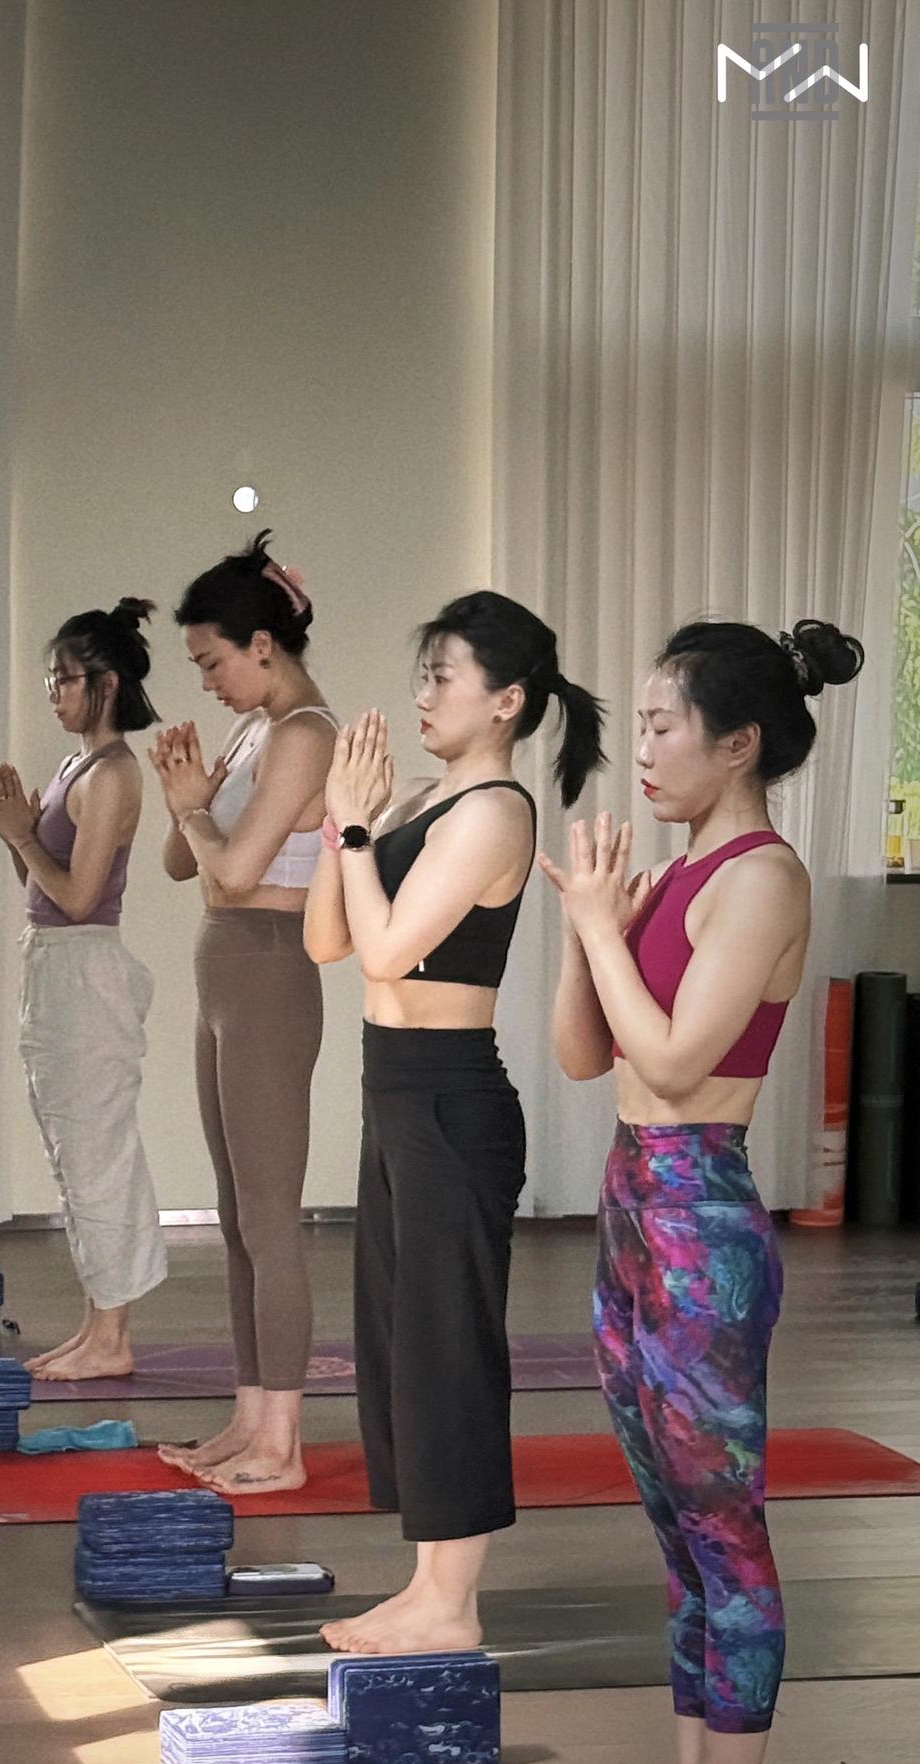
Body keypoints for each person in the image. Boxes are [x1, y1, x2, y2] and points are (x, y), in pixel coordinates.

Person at [541, 615, 863, 1764]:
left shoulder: (763, 879)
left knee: (726, 1527)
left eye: (663, 725)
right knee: (677, 1529)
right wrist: (587, 929)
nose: (644, 750)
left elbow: (676, 1063)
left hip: (699, 1216)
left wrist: (605, 932)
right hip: (632, 1203)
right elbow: (586, 1054)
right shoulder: (678, 878)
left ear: (738, 744)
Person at [305, 592, 605, 1654]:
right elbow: (328, 941)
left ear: (507, 700)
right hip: (391, 1090)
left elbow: (389, 949)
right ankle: (428, 1586)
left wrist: (354, 830)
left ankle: (453, 1602)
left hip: (450, 1099)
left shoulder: (494, 814)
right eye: (423, 674)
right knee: (399, 1343)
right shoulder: (421, 799)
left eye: (444, 676)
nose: (424, 694)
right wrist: (343, 823)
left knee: (448, 1351)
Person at [150, 532, 336, 1493]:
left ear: (263, 644)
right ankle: (250, 1417)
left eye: (212, 660)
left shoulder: (304, 733)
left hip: (268, 971)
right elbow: (182, 864)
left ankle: (285, 1443)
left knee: (269, 1218)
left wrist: (196, 813)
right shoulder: (253, 731)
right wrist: (185, 798)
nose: (207, 681)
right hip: (224, 970)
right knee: (234, 1217)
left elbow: (229, 871)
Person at [0, 598, 167, 1379]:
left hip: (85, 968)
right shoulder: (75, 768)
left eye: (64, 679)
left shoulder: (116, 774)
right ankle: (97, 1325)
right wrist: (19, 839)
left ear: (106, 683)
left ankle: (113, 1337)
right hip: (55, 964)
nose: (54, 693)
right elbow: (40, 886)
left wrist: (23, 836)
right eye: (51, 679)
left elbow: (81, 895)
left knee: (97, 1152)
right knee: (72, 1152)